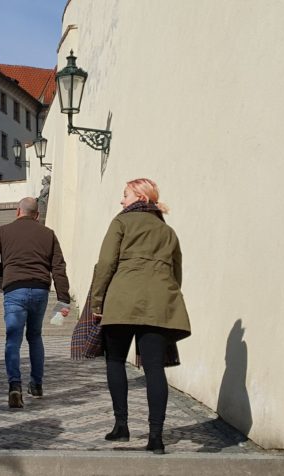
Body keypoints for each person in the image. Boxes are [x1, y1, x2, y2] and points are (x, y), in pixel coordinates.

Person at [88, 178, 191, 455]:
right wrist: (165, 297)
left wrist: (97, 301)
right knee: (154, 369)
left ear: (140, 198)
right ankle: (156, 437)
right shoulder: (168, 232)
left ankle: (121, 426)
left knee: (115, 360)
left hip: (122, 300)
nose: (121, 201)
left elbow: (106, 263)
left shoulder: (121, 222)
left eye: (125, 195)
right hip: (159, 303)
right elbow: (176, 273)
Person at [0, 197, 71, 408]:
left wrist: (5, 271)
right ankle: (36, 385)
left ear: (17, 212)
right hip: (40, 290)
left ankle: (14, 386)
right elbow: (58, 267)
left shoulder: (3, 231)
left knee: (13, 339)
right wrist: (63, 299)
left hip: (14, 290)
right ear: (37, 215)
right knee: (35, 336)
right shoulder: (48, 234)